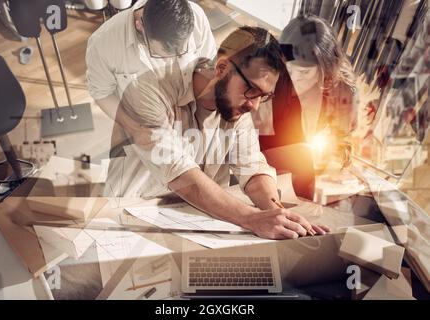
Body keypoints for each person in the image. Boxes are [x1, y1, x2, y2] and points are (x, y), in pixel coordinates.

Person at [102, 26, 330, 240]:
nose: (255, 106)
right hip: (127, 222)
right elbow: (179, 172)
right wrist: (251, 218)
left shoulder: (235, 106)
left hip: (194, 221)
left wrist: (275, 212)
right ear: (222, 68)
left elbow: (252, 168)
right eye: (252, 90)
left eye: (264, 96)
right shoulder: (146, 91)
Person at [85, 0, 216, 157]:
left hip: (191, 111)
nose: (173, 58)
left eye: (182, 51)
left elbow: (207, 65)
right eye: (162, 53)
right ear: (141, 26)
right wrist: (135, 130)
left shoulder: (196, 16)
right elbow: (101, 94)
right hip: (144, 125)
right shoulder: (103, 44)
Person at [254, 15, 358, 199]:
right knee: (302, 154)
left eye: (304, 72)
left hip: (309, 182)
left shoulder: (341, 89)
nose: (295, 76)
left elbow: (342, 143)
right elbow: (248, 142)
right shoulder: (271, 75)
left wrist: (335, 155)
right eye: (289, 67)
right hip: (262, 169)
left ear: (325, 67)